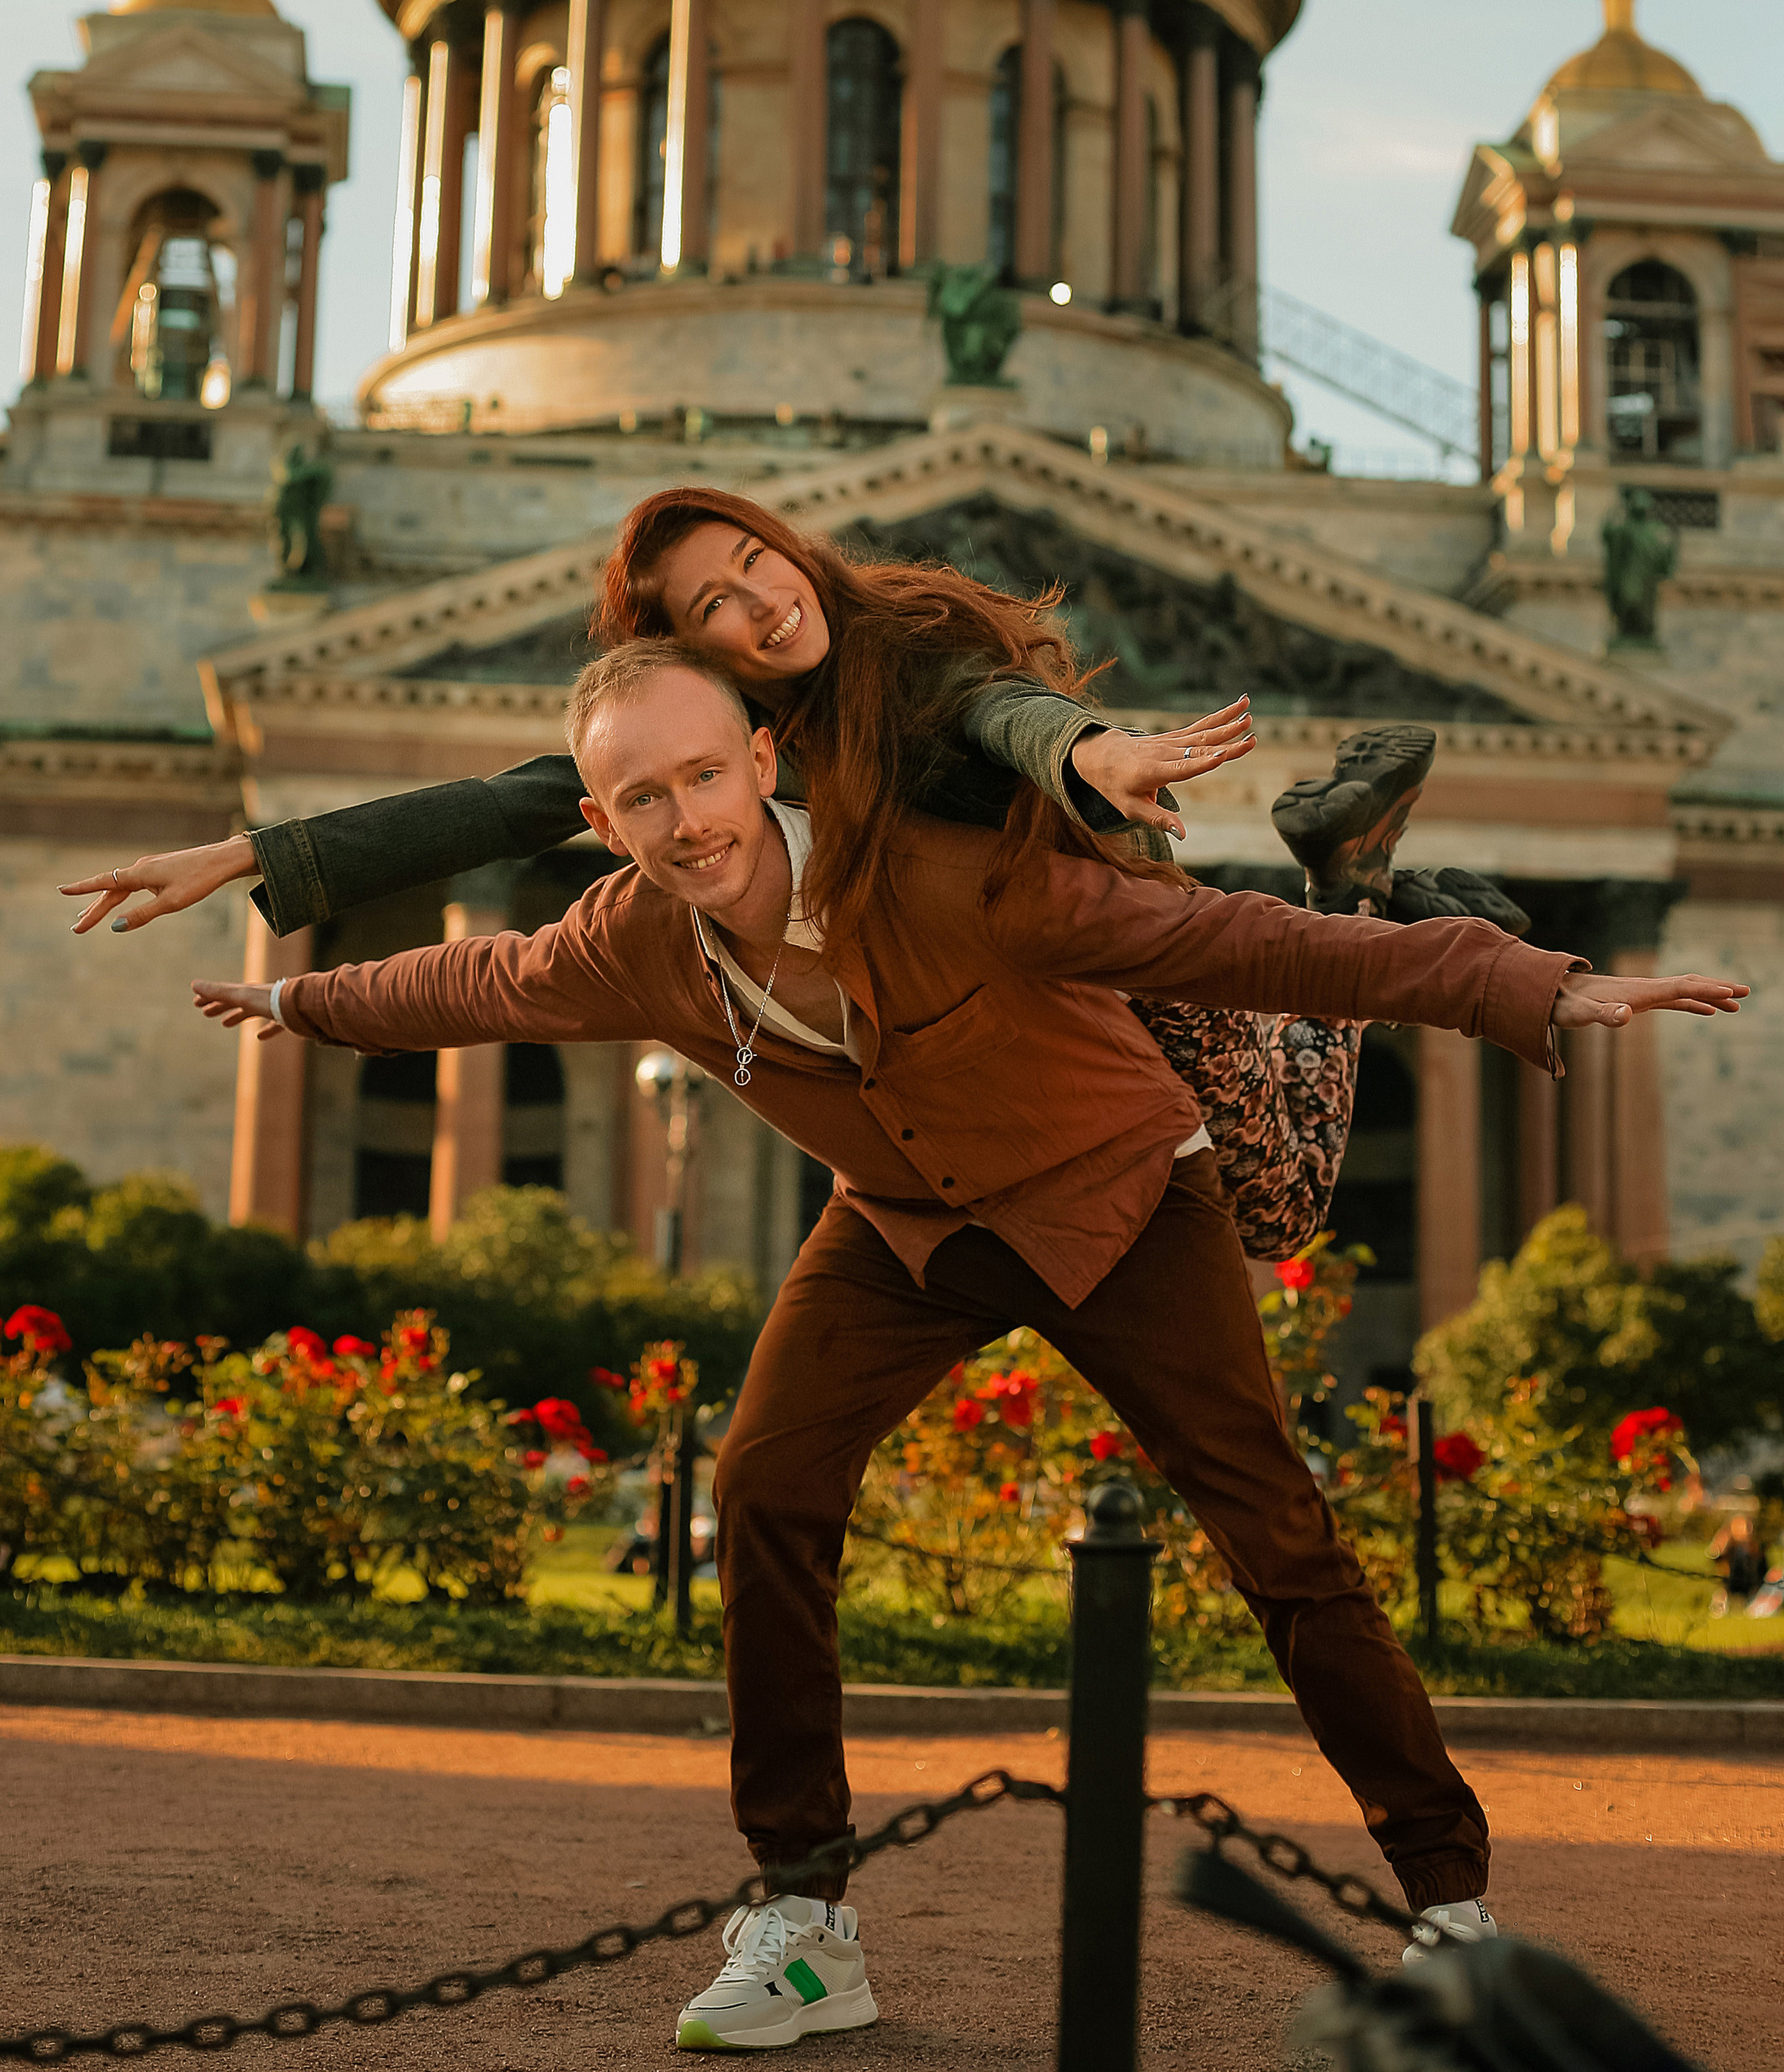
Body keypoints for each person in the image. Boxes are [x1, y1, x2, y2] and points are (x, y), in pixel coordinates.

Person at [187, 641, 1746, 2051]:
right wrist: (301, 1005)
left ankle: (1448, 1905)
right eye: (639, 800)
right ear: (602, 827)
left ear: (762, 765)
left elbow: (1256, 952)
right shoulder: (628, 939)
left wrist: (1538, 987)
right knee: (768, 1487)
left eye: (704, 777)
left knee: (1273, 1531)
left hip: (1117, 1194)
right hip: (908, 1225)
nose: (683, 822)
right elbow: (477, 977)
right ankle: (802, 1920)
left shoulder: (945, 876)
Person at [65, 489, 1522, 1260]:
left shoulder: (904, 652)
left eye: (755, 562)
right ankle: (1351, 893)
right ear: (703, 667)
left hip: (1088, 923)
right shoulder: (736, 737)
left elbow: (999, 712)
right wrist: (251, 853)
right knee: (1262, 1188)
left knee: (1270, 1208)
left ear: (786, 547)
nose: (758, 600)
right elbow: (508, 808)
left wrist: (1096, 755)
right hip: (992, 983)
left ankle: (1346, 884)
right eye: (715, 609)